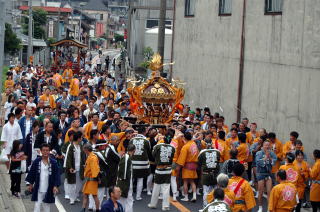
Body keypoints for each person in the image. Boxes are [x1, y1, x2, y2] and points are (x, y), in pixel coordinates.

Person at [25, 143, 60, 212]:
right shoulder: (37, 161)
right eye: (43, 150)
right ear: (41, 151)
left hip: (48, 188)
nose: (45, 152)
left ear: (49, 151)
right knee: (37, 206)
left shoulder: (53, 162)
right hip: (38, 187)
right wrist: (30, 184)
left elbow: (57, 175)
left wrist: (55, 186)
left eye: (47, 150)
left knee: (46, 206)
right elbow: (32, 173)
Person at [148, 132, 175, 211]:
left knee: (156, 187)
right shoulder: (172, 147)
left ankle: (153, 204)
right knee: (166, 187)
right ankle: (165, 206)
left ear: (163, 139)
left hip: (159, 169)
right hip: (168, 169)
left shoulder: (157, 146)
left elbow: (153, 155)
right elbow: (172, 157)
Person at [129, 126, 151, 201]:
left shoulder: (132, 139)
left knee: (131, 179)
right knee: (140, 179)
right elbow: (149, 151)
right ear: (145, 132)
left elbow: (129, 150)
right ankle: (138, 196)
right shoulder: (146, 140)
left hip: (132, 162)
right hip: (143, 163)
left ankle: (130, 196)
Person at [176, 131, 199, 202]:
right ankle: (194, 196)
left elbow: (182, 159)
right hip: (194, 164)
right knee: (192, 181)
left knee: (185, 181)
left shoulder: (185, 147)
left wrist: (179, 166)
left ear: (185, 138)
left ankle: (186, 197)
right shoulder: (194, 144)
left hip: (187, 165)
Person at [198, 136, 221, 207]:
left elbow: (200, 162)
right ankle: (214, 207)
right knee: (215, 192)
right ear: (212, 143)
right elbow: (218, 160)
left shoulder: (202, 152)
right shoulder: (217, 151)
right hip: (215, 174)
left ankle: (205, 207)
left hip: (206, 174)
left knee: (206, 192)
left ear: (204, 143)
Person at [64, 131, 85, 205]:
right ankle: (72, 198)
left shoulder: (81, 146)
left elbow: (83, 157)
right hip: (73, 168)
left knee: (79, 184)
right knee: (72, 184)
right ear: (78, 138)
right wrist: (69, 167)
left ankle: (75, 196)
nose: (82, 139)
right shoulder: (71, 146)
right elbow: (68, 158)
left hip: (80, 168)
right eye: (81, 137)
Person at [255, 139, 277, 212]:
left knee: (269, 191)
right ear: (263, 146)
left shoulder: (272, 153)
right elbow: (258, 162)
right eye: (265, 145)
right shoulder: (259, 153)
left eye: (268, 145)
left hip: (268, 174)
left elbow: (274, 161)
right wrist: (265, 157)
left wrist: (269, 157)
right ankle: (260, 207)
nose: (267, 146)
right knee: (260, 191)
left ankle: (269, 208)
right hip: (261, 173)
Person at [89, 140, 110, 211]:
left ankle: (91, 206)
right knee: (100, 193)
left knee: (92, 192)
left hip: (91, 175)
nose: (105, 147)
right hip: (100, 175)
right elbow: (106, 165)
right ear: (100, 146)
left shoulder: (92, 153)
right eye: (104, 145)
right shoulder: (100, 154)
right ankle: (97, 208)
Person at [81, 143, 101, 212]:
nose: (84, 151)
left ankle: (97, 209)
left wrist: (97, 178)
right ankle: (83, 209)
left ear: (86, 149)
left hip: (92, 179)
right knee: (85, 194)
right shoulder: (90, 156)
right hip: (89, 179)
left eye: (84, 149)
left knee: (94, 196)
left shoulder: (92, 157)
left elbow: (95, 169)